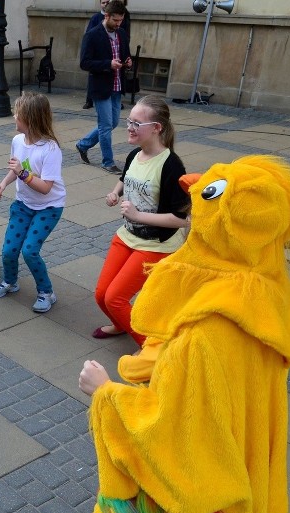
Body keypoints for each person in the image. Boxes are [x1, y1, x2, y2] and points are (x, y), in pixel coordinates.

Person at [79, 155, 290, 513]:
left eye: (196, 213)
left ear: (214, 227)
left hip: (202, 504)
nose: (190, 224)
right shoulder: (271, 305)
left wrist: (105, 394)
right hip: (242, 464)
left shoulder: (202, 334)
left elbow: (171, 431)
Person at [92, 95, 188, 345]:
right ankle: (120, 323)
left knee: (115, 298)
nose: (129, 127)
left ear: (156, 128)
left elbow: (181, 220)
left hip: (156, 244)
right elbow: (126, 178)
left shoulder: (171, 166)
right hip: (128, 235)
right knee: (102, 295)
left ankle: (149, 349)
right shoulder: (135, 154)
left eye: (137, 123)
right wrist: (115, 191)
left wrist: (137, 215)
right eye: (129, 121)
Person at [0, 92, 65, 313]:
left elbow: (45, 188)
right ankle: (10, 282)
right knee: (9, 250)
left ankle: (46, 292)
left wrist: (23, 174)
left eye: (17, 114)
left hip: (49, 207)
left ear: (30, 119)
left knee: (30, 251)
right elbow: (16, 168)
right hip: (23, 204)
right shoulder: (17, 141)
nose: (14, 117)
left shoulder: (50, 150)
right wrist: (4, 183)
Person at [75, 0, 131, 175]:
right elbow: (84, 63)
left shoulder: (121, 33)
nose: (118, 24)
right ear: (106, 16)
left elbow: (124, 55)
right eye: (115, 20)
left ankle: (83, 144)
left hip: (116, 85)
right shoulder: (92, 35)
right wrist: (108, 64)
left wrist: (127, 62)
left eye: (121, 20)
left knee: (112, 123)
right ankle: (108, 162)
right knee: (106, 126)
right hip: (100, 87)